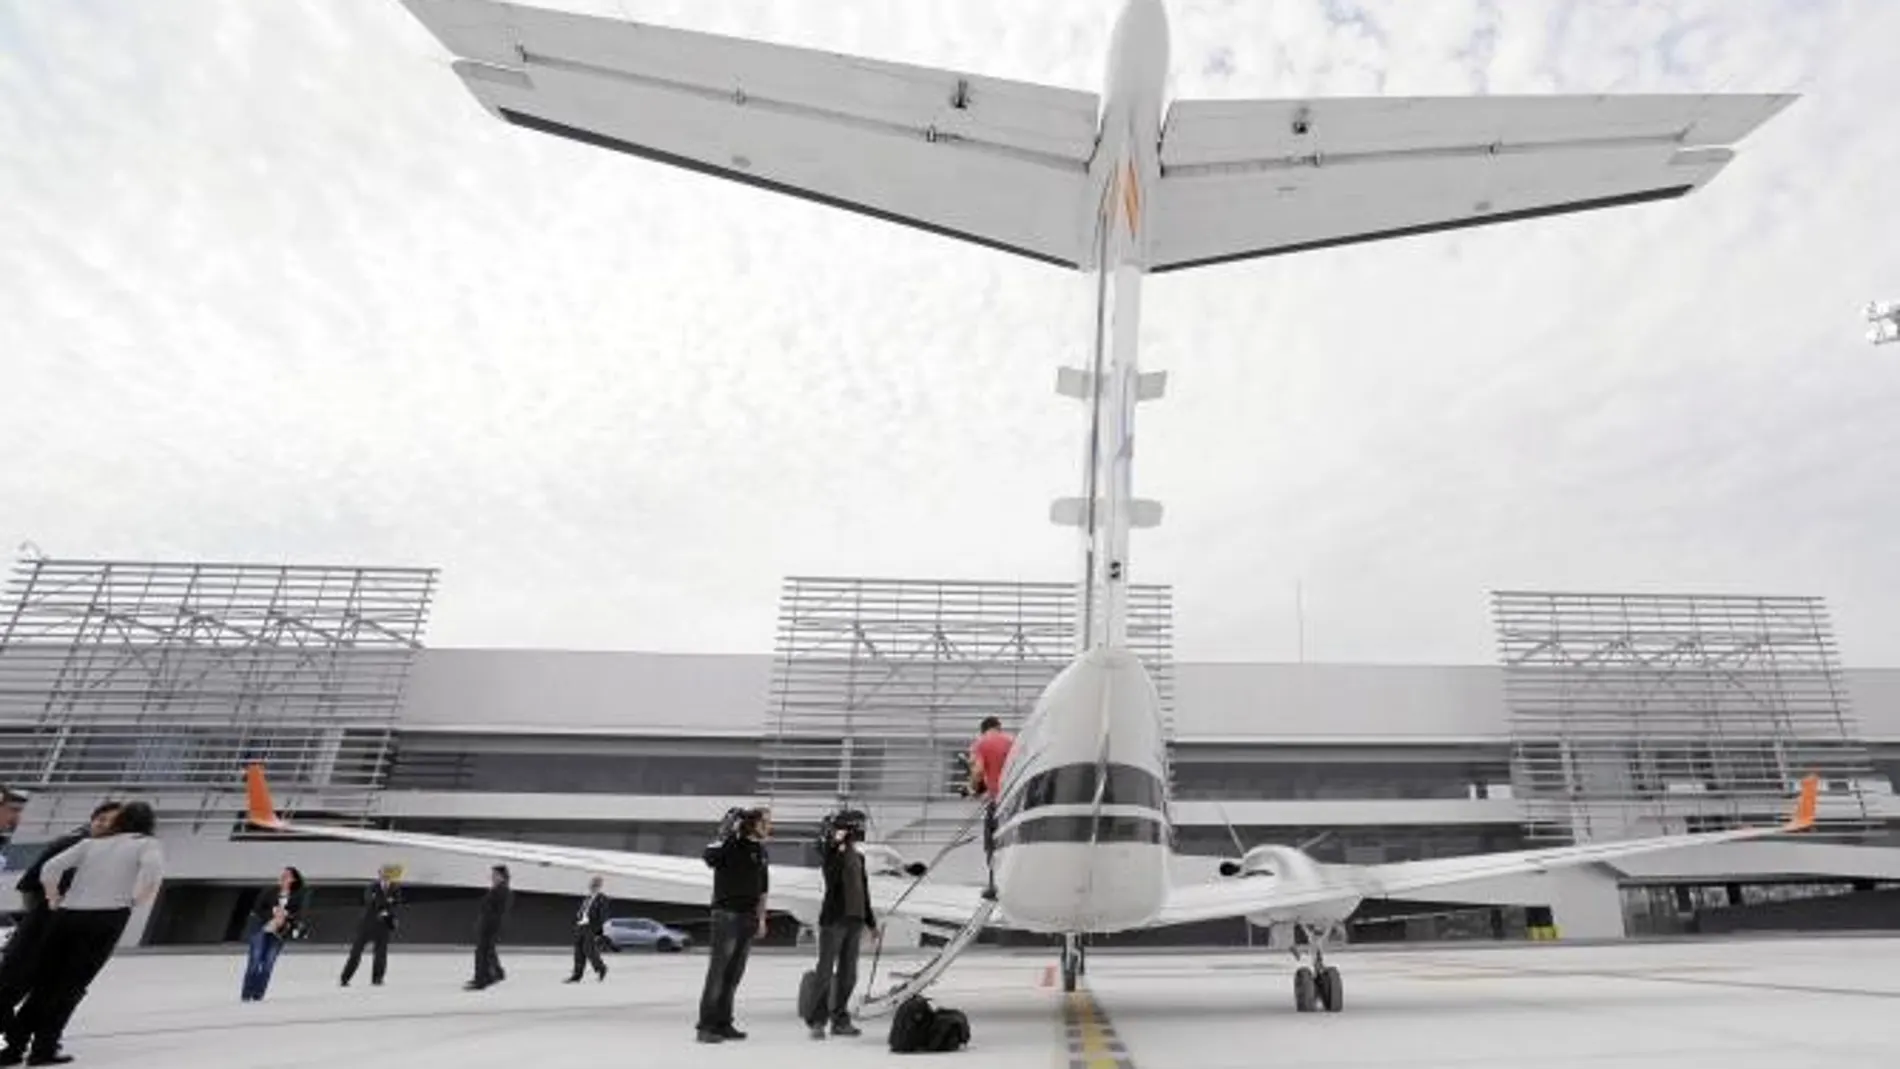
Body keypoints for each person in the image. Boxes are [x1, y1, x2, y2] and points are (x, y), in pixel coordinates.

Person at [0, 801, 163, 1067]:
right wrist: (138, 899)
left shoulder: (88, 844)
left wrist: (54, 898)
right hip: (105, 917)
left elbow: (48, 869)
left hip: (66, 915)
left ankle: (14, 1047)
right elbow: (153, 872)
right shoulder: (146, 844)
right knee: (69, 988)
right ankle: (42, 1048)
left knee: (45, 985)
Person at [0, 802, 119, 1038]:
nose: (107, 826)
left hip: (69, 936)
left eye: (114, 823)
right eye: (102, 820)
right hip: (44, 930)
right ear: (92, 819)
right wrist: (38, 922)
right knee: (11, 987)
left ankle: (20, 1043)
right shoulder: (70, 844)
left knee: (48, 992)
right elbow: (29, 885)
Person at [696, 806, 770, 1044]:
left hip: (749, 917)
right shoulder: (729, 846)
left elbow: (763, 890)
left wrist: (761, 918)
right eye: (764, 823)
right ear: (750, 824)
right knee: (717, 974)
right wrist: (727, 832)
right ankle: (706, 1027)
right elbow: (709, 857)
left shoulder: (760, 851)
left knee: (733, 976)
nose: (768, 827)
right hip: (726, 916)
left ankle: (723, 1023)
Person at [806, 810, 877, 1040]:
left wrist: (871, 922)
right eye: (857, 826)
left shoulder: (859, 856)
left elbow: (864, 891)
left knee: (849, 975)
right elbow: (831, 873)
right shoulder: (832, 853)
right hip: (834, 920)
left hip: (855, 920)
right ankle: (817, 1021)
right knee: (825, 972)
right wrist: (835, 845)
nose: (860, 830)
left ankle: (840, 1019)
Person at [240, 866, 307, 1002]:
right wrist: (273, 911)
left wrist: (286, 916)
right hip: (260, 929)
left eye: (287, 875)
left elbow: (298, 914)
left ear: (293, 879)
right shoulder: (269, 891)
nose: (283, 876)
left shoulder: (297, 896)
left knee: (267, 964)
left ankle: (258, 995)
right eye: (283, 874)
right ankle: (246, 995)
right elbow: (257, 908)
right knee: (255, 961)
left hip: (278, 934)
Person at [967, 716, 1015, 893]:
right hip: (1016, 802)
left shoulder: (981, 743)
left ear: (983, 729)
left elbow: (978, 771)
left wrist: (972, 788)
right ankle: (1013, 885)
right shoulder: (1013, 741)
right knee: (1012, 844)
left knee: (992, 844)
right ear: (999, 728)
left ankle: (994, 886)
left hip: (997, 802)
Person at [339, 865, 401, 988]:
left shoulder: (395, 888)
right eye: (383, 873)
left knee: (381, 954)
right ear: (379, 874)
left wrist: (386, 904)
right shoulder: (371, 887)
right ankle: (345, 978)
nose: (386, 875)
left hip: (384, 926)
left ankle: (377, 978)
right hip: (367, 925)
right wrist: (387, 902)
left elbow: (396, 902)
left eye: (388, 873)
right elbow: (370, 902)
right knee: (356, 952)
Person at [465, 865, 512, 991]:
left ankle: (482, 979)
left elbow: (496, 911)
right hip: (488, 925)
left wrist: (487, 925)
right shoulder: (497, 889)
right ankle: (495, 974)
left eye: (495, 874)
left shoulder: (502, 890)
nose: (492, 877)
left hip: (490, 926)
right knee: (487, 951)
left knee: (482, 952)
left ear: (502, 876)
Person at [565, 875, 609, 984]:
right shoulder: (587, 898)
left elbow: (602, 916)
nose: (592, 887)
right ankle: (576, 975)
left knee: (589, 950)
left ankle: (601, 968)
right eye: (591, 885)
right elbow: (582, 911)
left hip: (591, 927)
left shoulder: (602, 899)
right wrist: (578, 921)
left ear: (599, 886)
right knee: (578, 952)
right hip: (581, 926)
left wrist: (598, 931)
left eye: (595, 885)